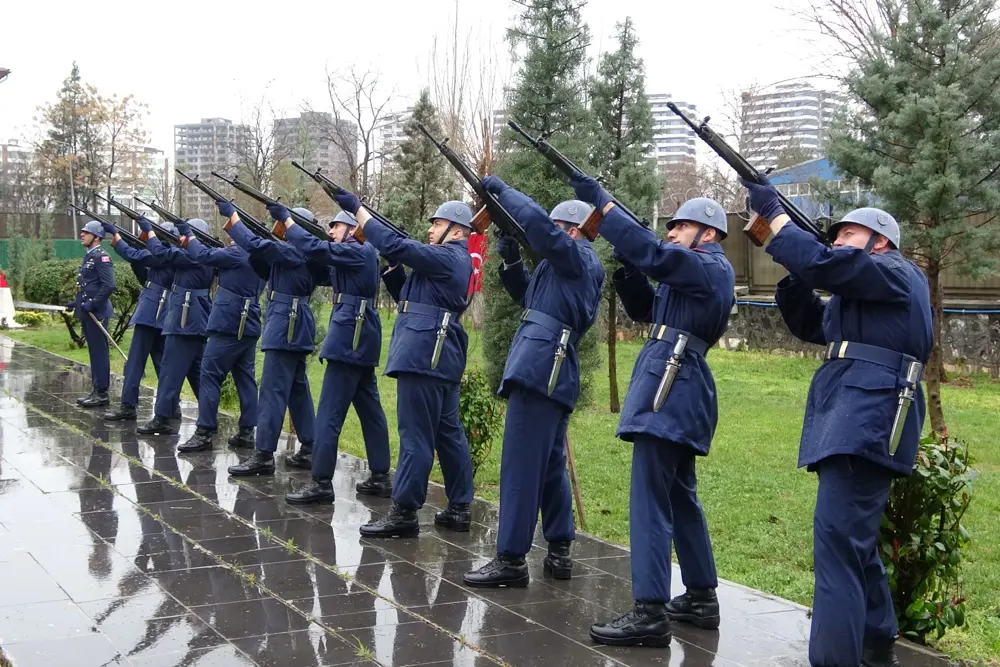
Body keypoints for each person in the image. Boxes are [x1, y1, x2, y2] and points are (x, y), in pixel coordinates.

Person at [741, 176, 932, 667]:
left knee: (836, 550)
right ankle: (875, 641)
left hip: (866, 418)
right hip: (854, 416)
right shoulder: (863, 294)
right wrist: (794, 267)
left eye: (848, 235)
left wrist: (777, 216)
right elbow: (811, 323)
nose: (837, 241)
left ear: (881, 241)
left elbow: (827, 265)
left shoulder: (896, 271)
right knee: (852, 541)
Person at [570, 174, 735, 648]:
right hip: (676, 380)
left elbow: (658, 257)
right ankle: (701, 597)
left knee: (649, 499)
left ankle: (649, 612)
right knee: (680, 494)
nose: (671, 234)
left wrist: (603, 205)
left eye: (680, 227)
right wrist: (626, 267)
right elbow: (647, 307)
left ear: (707, 233)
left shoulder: (707, 266)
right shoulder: (694, 271)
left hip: (672, 382)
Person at [463, 181, 604, 589]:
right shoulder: (564, 266)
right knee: (547, 467)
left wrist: (503, 193)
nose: (549, 235)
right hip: (548, 367)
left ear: (572, 230)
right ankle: (559, 546)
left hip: (542, 367)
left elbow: (539, 227)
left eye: (559, 227)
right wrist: (510, 263)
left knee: (522, 465)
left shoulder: (578, 255)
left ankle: (510, 557)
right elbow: (532, 300)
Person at [331, 188, 474, 538]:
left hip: (425, 356)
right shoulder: (448, 260)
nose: (430, 229)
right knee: (447, 434)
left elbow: (397, 246)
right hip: (436, 355)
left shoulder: (451, 256)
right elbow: (413, 298)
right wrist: (395, 271)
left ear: (457, 231)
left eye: (437, 223)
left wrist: (360, 211)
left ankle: (405, 511)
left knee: (416, 437)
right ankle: (459, 507)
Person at [283, 210, 392, 504]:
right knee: (370, 411)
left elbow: (319, 249)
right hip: (358, 338)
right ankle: (381, 475)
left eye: (337, 226)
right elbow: (321, 265)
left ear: (354, 229)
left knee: (329, 414)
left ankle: (321, 482)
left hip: (349, 340)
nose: (331, 232)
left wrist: (290, 224)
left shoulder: (359, 251)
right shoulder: (355, 255)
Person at [223, 200, 324, 476]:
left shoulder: (296, 252)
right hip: (290, 326)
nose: (279, 228)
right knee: (296, 389)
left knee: (271, 391)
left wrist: (234, 218)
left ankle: (264, 454)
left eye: (284, 224)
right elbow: (262, 262)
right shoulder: (294, 254)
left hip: (287, 328)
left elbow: (257, 247)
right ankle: (310, 446)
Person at [175, 219, 267, 453]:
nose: (230, 233)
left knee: (209, 374)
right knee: (245, 378)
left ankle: (205, 431)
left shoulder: (237, 253)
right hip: (249, 323)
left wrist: (190, 235)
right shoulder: (260, 255)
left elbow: (203, 255)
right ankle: (247, 430)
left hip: (228, 324)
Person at [135, 217, 214, 435]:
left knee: (170, 370)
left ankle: (162, 417)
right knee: (198, 372)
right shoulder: (202, 255)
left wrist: (149, 233)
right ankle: (209, 415)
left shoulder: (191, 256)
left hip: (184, 320)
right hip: (195, 320)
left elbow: (161, 254)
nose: (179, 239)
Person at [100, 220, 185, 422]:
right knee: (162, 363)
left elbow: (133, 255)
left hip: (151, 313)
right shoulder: (173, 255)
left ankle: (128, 406)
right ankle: (172, 405)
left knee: (135, 362)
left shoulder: (164, 254)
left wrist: (116, 236)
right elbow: (145, 275)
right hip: (164, 314)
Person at [71, 220, 116, 408]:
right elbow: (89, 285)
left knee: (99, 352)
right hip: (88, 311)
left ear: (96, 237)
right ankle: (96, 388)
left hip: (97, 312)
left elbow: (109, 285)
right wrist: (78, 303)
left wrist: (93, 304)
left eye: (86, 232)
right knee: (93, 351)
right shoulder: (89, 255)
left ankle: (102, 392)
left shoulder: (101, 257)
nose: (82, 234)